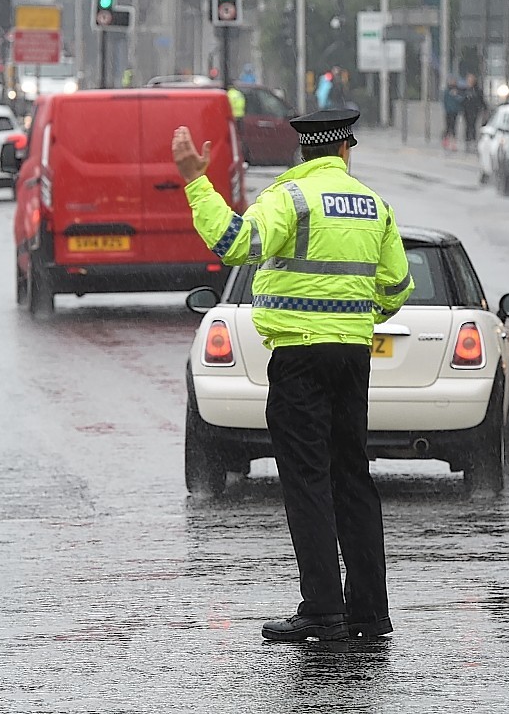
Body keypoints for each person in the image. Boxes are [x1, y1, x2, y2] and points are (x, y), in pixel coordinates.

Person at [172, 109, 414, 643]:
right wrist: (352, 319)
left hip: (299, 358)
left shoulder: (291, 199)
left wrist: (195, 181)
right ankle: (370, 613)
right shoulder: (374, 205)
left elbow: (235, 243)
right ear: (346, 150)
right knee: (352, 476)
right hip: (353, 357)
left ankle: (323, 609)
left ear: (303, 152)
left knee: (307, 479)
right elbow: (397, 289)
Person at [460, 73, 486, 151]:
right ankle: (467, 140)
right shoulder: (465, 90)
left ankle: (473, 140)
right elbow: (462, 100)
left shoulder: (477, 90)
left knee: (473, 125)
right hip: (466, 111)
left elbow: (481, 100)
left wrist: (483, 108)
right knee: (467, 125)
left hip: (475, 110)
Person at [441, 79, 462, 151]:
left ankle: (453, 144)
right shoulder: (447, 91)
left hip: (455, 112)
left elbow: (460, 100)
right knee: (448, 126)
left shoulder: (457, 91)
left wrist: (456, 96)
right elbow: (444, 101)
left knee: (453, 127)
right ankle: (446, 141)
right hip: (449, 111)